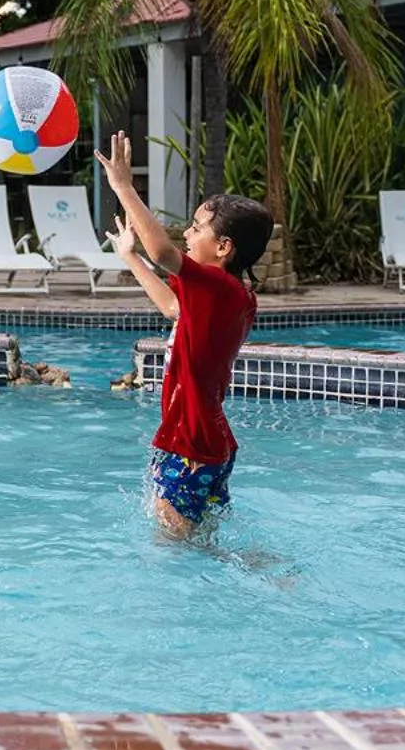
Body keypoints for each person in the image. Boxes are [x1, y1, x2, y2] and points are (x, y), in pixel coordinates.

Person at [97, 131, 274, 536]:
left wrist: (124, 187)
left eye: (196, 228)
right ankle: (260, 569)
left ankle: (263, 574)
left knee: (177, 547)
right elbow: (172, 308)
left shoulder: (218, 287)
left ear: (224, 247)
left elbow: (163, 252)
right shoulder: (230, 295)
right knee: (198, 541)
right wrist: (130, 256)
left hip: (191, 444)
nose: (187, 235)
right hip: (210, 443)